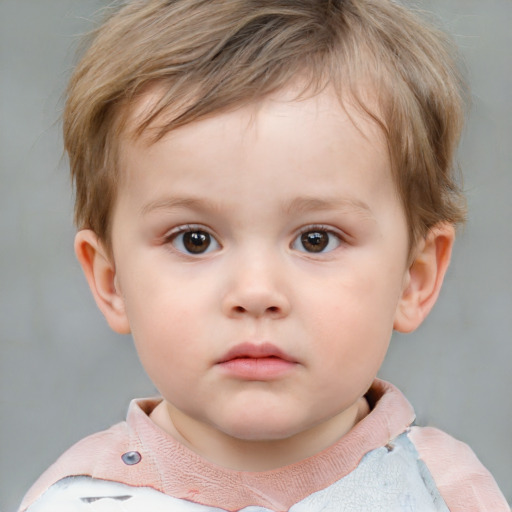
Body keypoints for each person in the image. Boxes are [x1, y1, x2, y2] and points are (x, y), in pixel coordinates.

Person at [18, 0, 509, 510]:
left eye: (316, 239)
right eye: (195, 240)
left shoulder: (443, 493)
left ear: (414, 277)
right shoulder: (78, 500)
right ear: (111, 280)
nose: (255, 292)